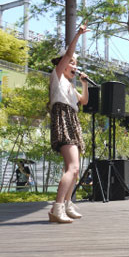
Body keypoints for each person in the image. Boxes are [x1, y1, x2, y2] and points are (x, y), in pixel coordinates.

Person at [48, 23, 90, 223]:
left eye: (75, 63)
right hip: (63, 118)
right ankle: (57, 208)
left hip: (72, 119)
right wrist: (78, 34)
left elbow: (84, 101)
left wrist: (84, 83)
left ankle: (66, 204)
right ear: (63, 64)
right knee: (72, 167)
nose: (74, 66)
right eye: (71, 63)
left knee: (74, 169)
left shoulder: (70, 87)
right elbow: (68, 53)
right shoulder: (56, 77)